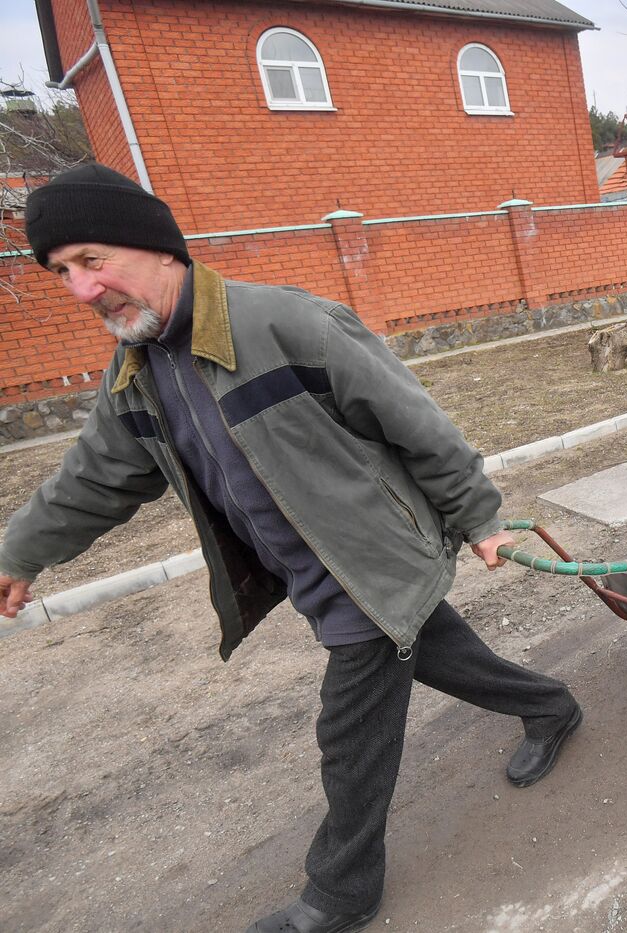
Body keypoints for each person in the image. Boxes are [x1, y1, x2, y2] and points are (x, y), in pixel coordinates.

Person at [0, 164, 582, 933]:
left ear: (157, 248)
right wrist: (18, 554)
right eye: (63, 273)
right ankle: (553, 706)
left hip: (374, 562)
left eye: (92, 260)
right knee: (438, 652)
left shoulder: (282, 323)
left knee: (351, 735)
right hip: (317, 573)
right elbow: (92, 480)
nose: (81, 289)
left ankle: (340, 893)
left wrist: (480, 518)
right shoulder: (135, 375)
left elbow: (418, 424)